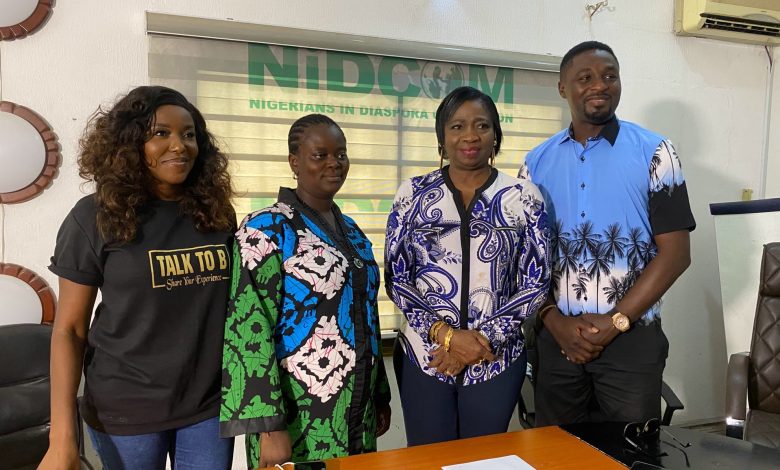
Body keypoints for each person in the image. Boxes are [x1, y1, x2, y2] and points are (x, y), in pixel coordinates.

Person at [40, 86, 236, 469]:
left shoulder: (216, 214)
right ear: (130, 143)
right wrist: (62, 437)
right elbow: (70, 331)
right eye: (160, 133)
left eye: (189, 134)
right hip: (125, 412)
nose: (179, 146)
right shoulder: (94, 216)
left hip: (207, 406)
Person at [518, 41, 696, 426]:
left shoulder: (656, 153)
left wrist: (615, 321)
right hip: (557, 340)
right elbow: (525, 261)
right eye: (585, 77)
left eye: (610, 76)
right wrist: (555, 323)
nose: (600, 85)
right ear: (563, 88)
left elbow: (676, 254)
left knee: (631, 454)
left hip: (632, 340)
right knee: (557, 454)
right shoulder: (534, 164)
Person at [220, 114, 391, 468]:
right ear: (294, 162)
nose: (334, 163)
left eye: (341, 154)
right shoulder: (264, 230)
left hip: (356, 411)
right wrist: (269, 427)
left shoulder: (353, 231)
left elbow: (367, 316)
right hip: (296, 416)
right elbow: (248, 330)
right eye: (320, 155)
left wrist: (379, 394)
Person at [385, 86, 550, 445]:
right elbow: (397, 278)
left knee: (483, 460)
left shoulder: (523, 197)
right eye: (457, 126)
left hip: (495, 359)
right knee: (427, 459)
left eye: (482, 126)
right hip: (425, 357)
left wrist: (481, 340)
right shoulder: (411, 194)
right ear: (442, 136)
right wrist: (447, 336)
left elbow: (536, 283)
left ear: (496, 136)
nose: (470, 136)